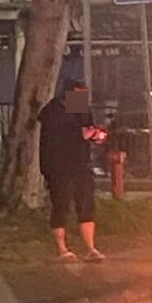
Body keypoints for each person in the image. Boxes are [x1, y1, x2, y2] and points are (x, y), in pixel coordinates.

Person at [38, 78, 108, 262]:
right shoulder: (53, 111)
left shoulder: (81, 108)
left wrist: (95, 136)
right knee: (61, 204)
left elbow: (87, 128)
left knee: (86, 204)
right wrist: (80, 134)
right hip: (59, 166)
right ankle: (62, 249)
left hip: (81, 164)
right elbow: (57, 136)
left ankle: (91, 248)